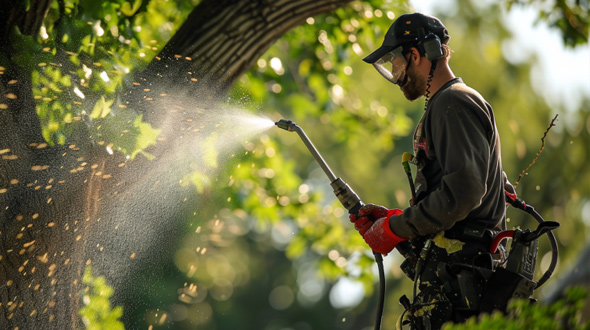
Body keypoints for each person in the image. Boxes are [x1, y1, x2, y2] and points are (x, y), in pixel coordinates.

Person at [349, 12, 514, 329]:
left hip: (464, 293)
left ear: (416, 55)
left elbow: (463, 194)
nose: (396, 76)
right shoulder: (450, 102)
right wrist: (396, 222)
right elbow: (467, 197)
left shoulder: (452, 103)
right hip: (459, 286)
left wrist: (395, 228)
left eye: (397, 64)